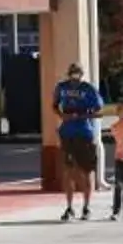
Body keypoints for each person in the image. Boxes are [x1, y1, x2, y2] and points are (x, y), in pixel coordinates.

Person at [52, 62, 103, 221]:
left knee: (85, 172)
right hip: (67, 134)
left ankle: (86, 207)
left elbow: (98, 109)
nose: (75, 76)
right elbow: (54, 105)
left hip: (85, 133)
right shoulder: (61, 87)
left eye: (78, 73)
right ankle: (69, 207)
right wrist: (62, 115)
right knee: (68, 171)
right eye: (72, 73)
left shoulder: (88, 89)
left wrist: (83, 115)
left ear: (81, 74)